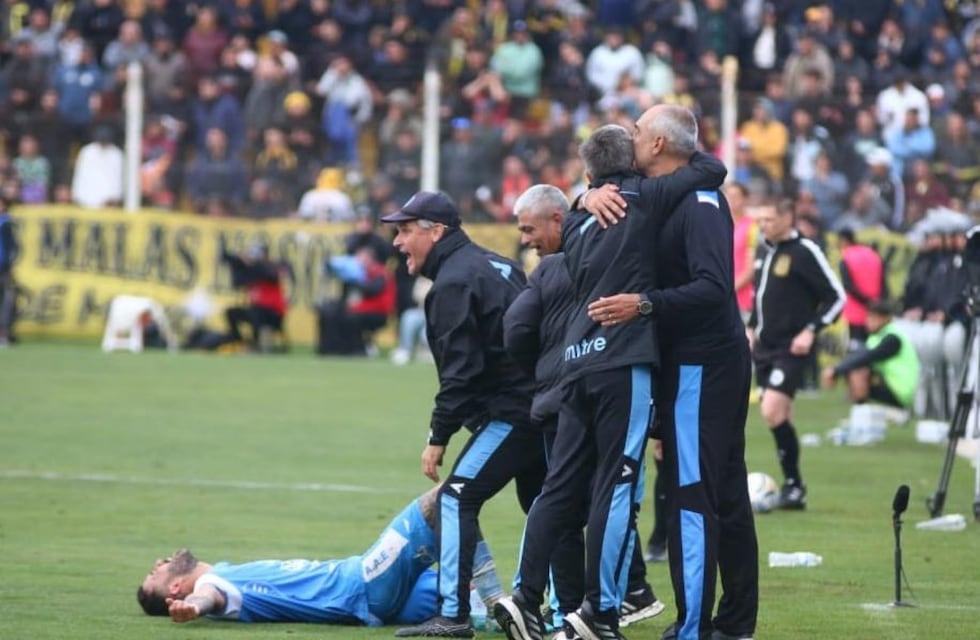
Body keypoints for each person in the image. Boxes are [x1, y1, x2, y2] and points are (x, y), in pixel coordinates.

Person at [495, 119, 726, 640]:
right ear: (633, 162)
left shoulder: (577, 220)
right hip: (621, 361)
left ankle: (525, 598)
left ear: (588, 173)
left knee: (558, 488)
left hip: (573, 366)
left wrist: (585, 195)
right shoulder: (642, 197)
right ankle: (600, 611)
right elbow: (712, 168)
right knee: (616, 485)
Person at [583, 105, 757, 640]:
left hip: (703, 365)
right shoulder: (663, 192)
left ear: (657, 144)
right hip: (697, 364)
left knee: (693, 492)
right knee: (724, 491)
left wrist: (644, 304)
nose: (630, 137)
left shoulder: (701, 204)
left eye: (637, 130)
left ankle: (693, 627)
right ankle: (734, 623)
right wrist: (587, 195)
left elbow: (713, 288)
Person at [503, 183, 666, 633]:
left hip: (563, 394)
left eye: (529, 229)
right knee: (614, 492)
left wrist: (541, 371)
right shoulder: (621, 259)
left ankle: (546, 604)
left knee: (561, 498)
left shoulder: (550, 270)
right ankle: (608, 602)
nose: (525, 240)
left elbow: (516, 329)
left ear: (559, 220)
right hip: (615, 380)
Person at [382, 191, 544, 639]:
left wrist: (438, 435)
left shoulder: (453, 283)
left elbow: (461, 373)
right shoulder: (499, 265)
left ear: (436, 232)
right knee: (546, 507)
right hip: (546, 405)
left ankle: (453, 616)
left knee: (454, 499)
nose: (397, 242)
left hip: (514, 411)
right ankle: (554, 609)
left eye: (405, 230)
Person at [136, 486, 506, 628]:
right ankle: (495, 598)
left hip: (371, 595)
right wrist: (194, 607)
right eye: (155, 575)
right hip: (362, 585)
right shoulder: (211, 586)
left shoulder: (225, 572)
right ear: (176, 590)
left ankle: (494, 608)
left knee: (452, 587)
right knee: (446, 496)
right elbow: (209, 598)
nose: (157, 563)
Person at [747, 199, 846, 510]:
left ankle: (795, 484)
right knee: (780, 416)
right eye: (761, 220)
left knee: (771, 411)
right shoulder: (764, 250)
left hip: (790, 348)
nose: (763, 226)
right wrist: (751, 328)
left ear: (788, 218)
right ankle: (794, 488)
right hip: (764, 347)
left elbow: (836, 297)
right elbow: (760, 296)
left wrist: (810, 330)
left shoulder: (804, 251)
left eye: (769, 219)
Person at [821, 301, 920, 410]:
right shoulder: (877, 336)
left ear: (886, 318)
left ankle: (862, 408)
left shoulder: (893, 338)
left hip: (901, 392)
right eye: (868, 317)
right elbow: (861, 355)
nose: (868, 322)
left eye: (873, 318)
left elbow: (867, 357)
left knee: (858, 370)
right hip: (889, 384)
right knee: (853, 365)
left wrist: (835, 371)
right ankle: (862, 409)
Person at [316, 246, 396, 356]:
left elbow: (373, 290)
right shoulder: (362, 272)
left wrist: (356, 282)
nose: (358, 261)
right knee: (331, 311)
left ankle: (355, 349)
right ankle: (331, 348)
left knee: (348, 317)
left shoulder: (379, 272)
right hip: (363, 308)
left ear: (370, 259)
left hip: (378, 312)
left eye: (362, 258)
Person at [221, 243, 289, 351]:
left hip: (273, 314)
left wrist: (254, 263)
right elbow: (237, 281)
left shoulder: (269, 267)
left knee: (256, 312)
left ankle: (255, 345)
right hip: (257, 312)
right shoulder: (251, 272)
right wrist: (238, 261)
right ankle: (238, 340)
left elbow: (273, 275)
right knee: (231, 313)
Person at [837, 228, 886, 348]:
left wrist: (865, 301)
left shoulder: (847, 257)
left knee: (856, 349)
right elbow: (883, 282)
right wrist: (875, 302)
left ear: (843, 240)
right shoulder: (873, 255)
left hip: (855, 313)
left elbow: (848, 285)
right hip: (875, 313)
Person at [0, 195, 18, 346]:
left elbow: (13, 247)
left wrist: (10, 265)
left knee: (7, 300)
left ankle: (5, 332)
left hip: (3, 267)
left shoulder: (6, 222)